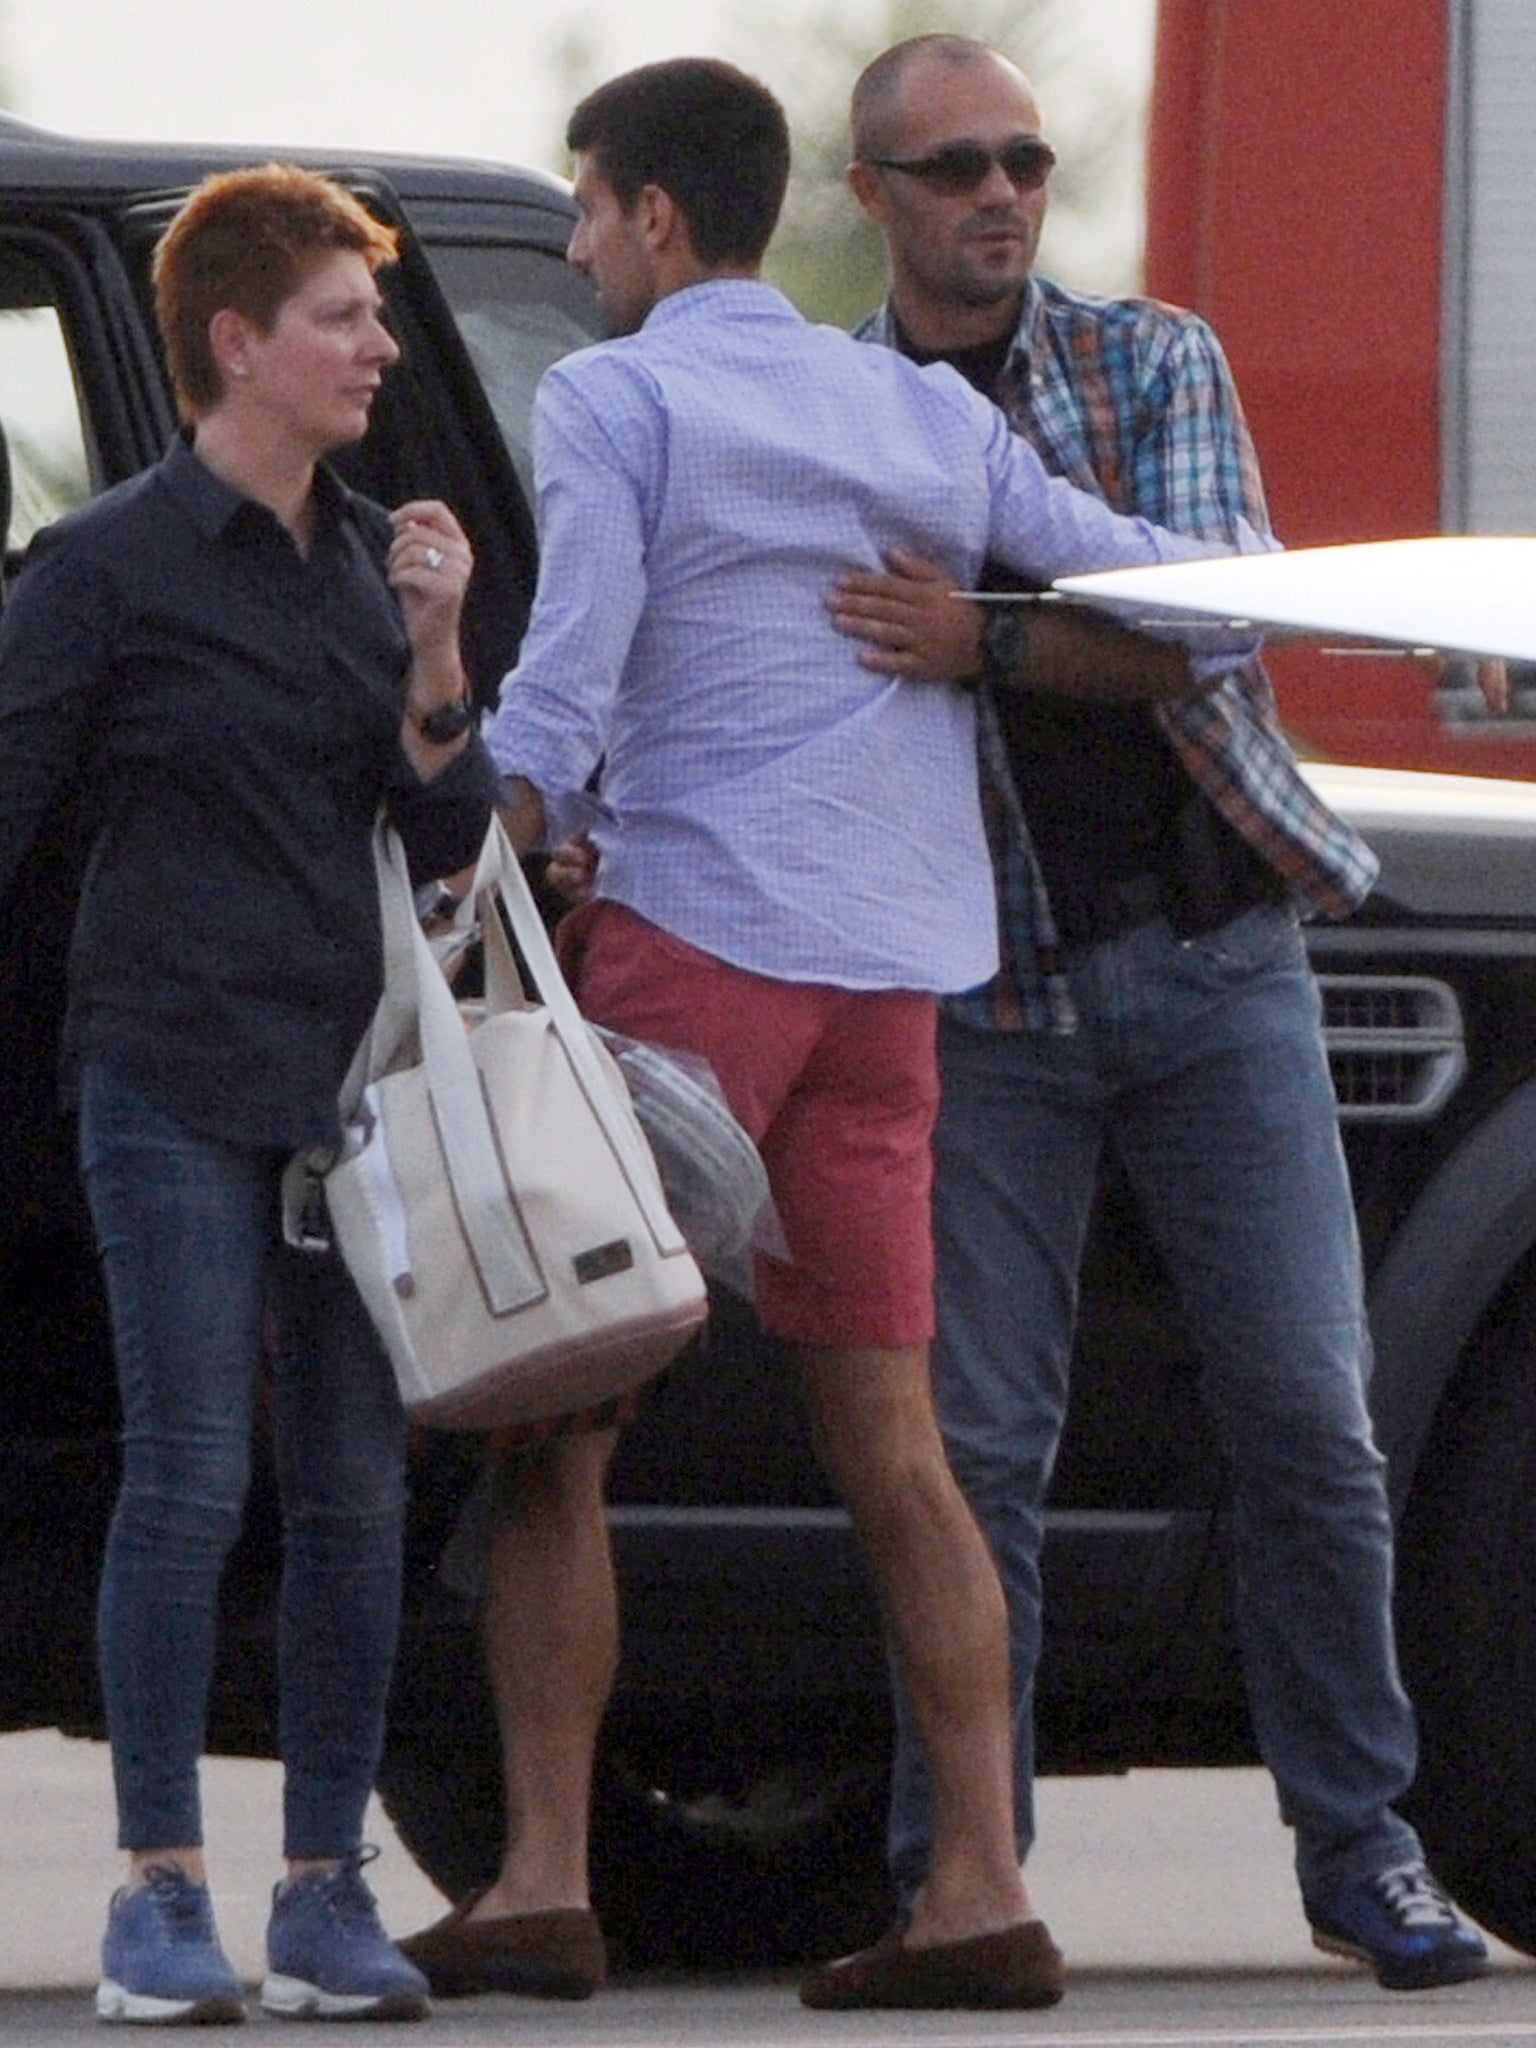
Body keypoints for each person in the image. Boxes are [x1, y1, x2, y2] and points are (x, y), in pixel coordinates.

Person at [398, 56, 1254, 2015]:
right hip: (892, 985)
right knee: (900, 1444)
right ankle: (975, 1887)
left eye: (589, 213)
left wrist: (461, 859)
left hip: (702, 949)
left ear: (655, 218)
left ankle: (540, 1876)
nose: (581, 246)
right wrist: (1135, 622)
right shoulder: (911, 407)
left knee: (554, 1421)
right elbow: (1165, 594)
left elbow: (576, 672)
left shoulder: (621, 393)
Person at [824, 33, 1489, 1996]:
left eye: (1023, 156)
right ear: (876, 197)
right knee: (981, 1446)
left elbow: (1209, 619)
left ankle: (1366, 1851)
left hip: (1216, 963)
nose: (1000, 192)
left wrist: (985, 639)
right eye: (954, 165)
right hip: (984, 996)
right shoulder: (839, 417)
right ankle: (961, 1873)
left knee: (1311, 1415)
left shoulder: (1149, 364)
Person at [0, 164, 502, 2024]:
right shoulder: (104, 566)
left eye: (371, 314)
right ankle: (153, 1897)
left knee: (361, 1500)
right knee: (192, 1475)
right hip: (166, 1072)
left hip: (346, 1090)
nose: (379, 344)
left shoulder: (373, 557)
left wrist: (441, 654)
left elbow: (444, 835)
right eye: (343, 316)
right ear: (235, 341)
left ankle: (320, 1891)